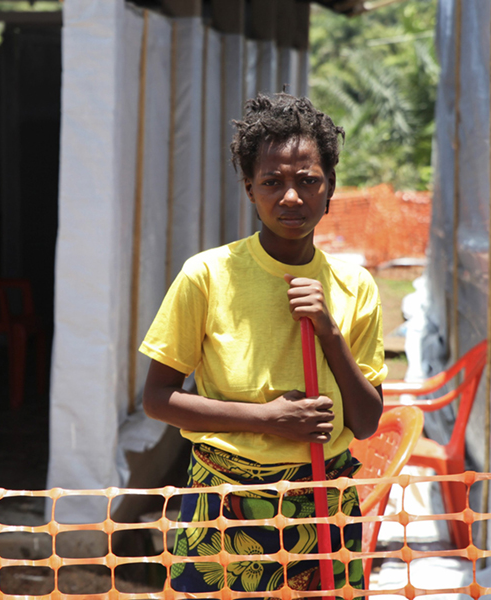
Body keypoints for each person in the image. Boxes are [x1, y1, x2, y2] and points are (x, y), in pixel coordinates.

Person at [139, 93, 386, 594]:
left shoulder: (353, 286)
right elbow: (157, 399)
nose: (291, 197)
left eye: (308, 180)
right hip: (224, 503)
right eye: (272, 182)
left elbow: (366, 421)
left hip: (322, 499)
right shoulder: (207, 275)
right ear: (250, 189)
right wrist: (267, 419)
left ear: (330, 188)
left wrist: (330, 332)